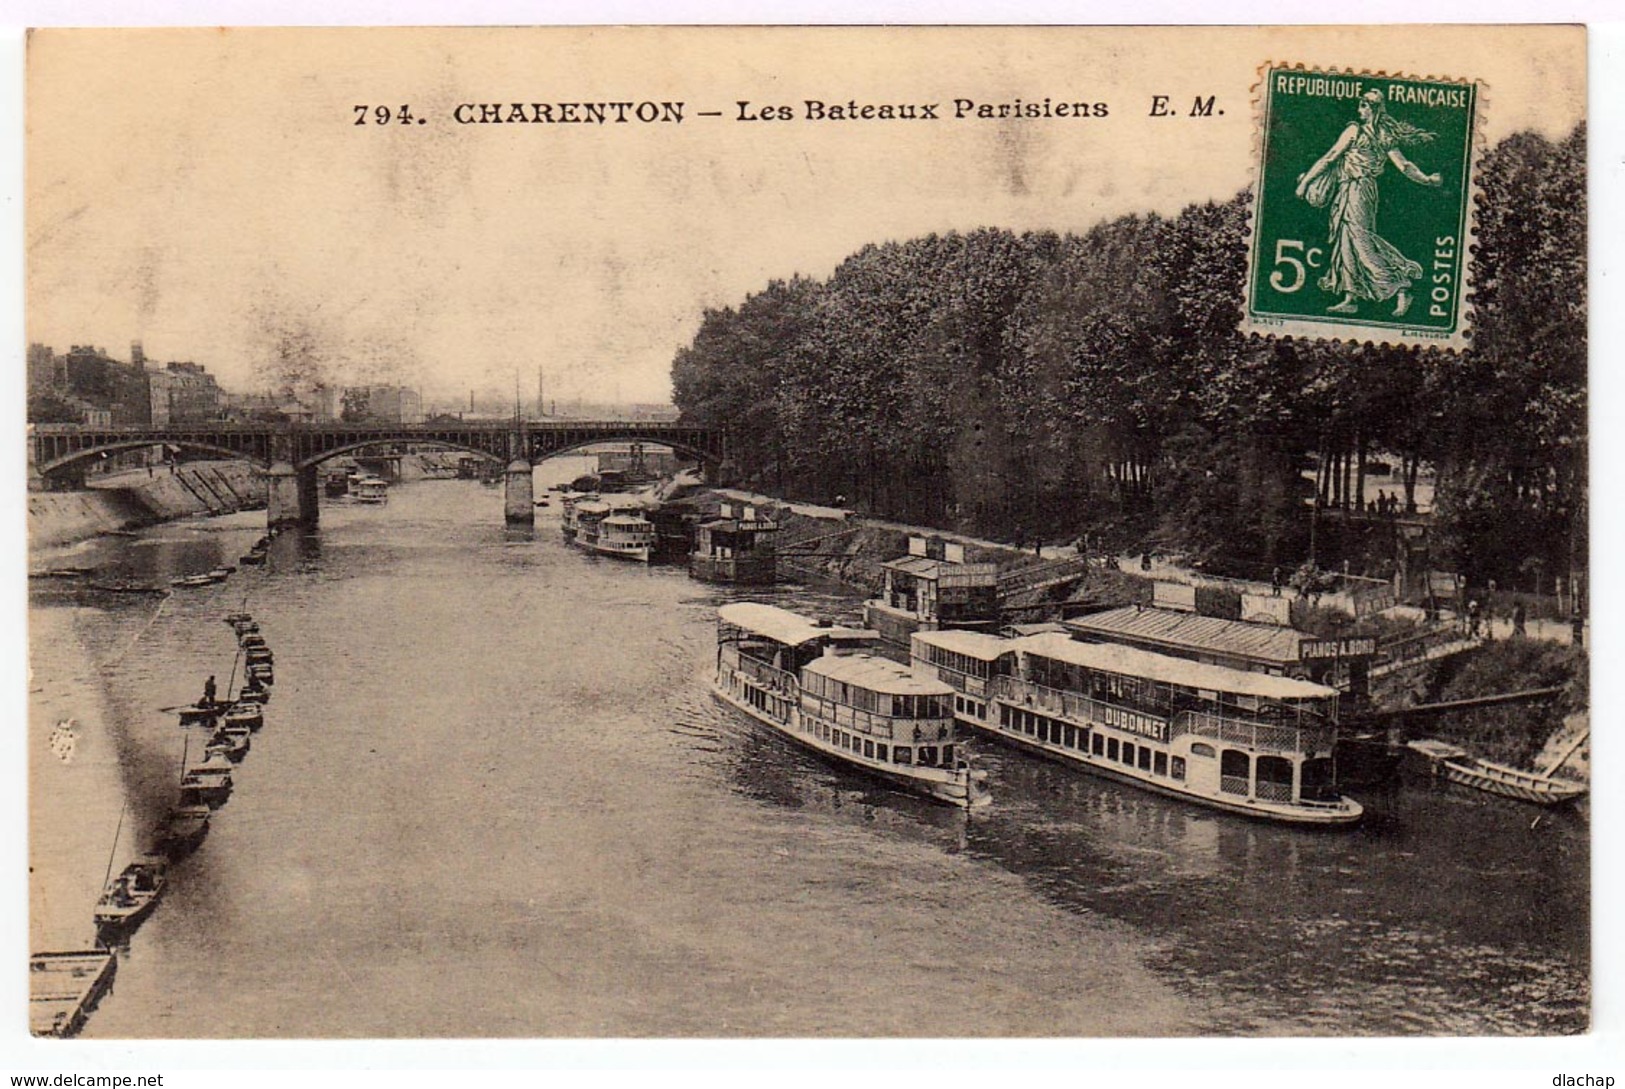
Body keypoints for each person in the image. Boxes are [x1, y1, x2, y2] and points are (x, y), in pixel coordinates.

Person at [1295, 89, 1443, 317]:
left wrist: (1305, 183)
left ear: (1371, 108)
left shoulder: (1357, 131)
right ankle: (1351, 298)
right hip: (1351, 189)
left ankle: (1401, 286)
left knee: (1361, 240)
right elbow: (1404, 166)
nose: (1358, 110)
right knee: (1346, 242)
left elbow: (1330, 157)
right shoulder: (1383, 134)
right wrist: (1427, 179)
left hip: (1359, 190)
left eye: (1362, 106)